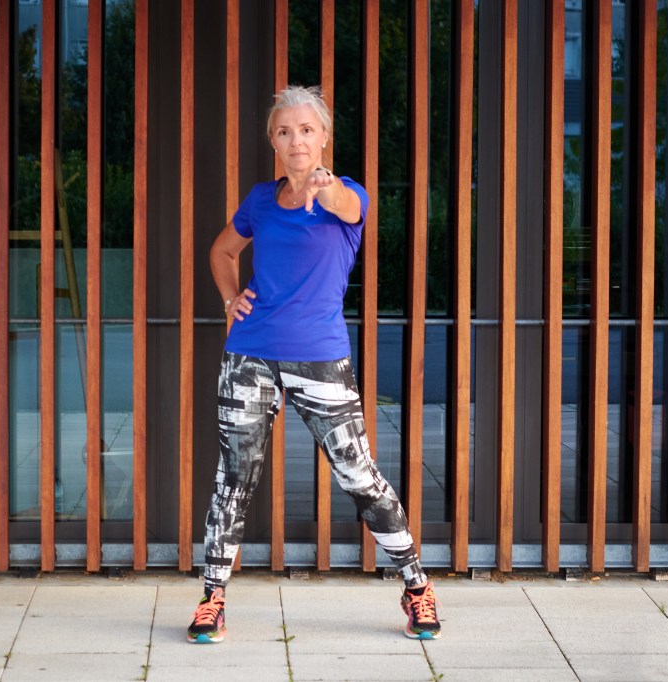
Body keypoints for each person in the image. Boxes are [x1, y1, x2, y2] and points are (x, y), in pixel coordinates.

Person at [187, 85, 440, 644]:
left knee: (360, 477)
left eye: (306, 129)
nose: (295, 139)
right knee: (234, 479)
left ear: (324, 136)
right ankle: (212, 599)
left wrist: (324, 187)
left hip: (320, 358)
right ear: (273, 142)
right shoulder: (259, 200)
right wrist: (230, 299)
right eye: (284, 131)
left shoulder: (345, 195)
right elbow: (221, 252)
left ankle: (417, 587)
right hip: (249, 355)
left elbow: (346, 206)